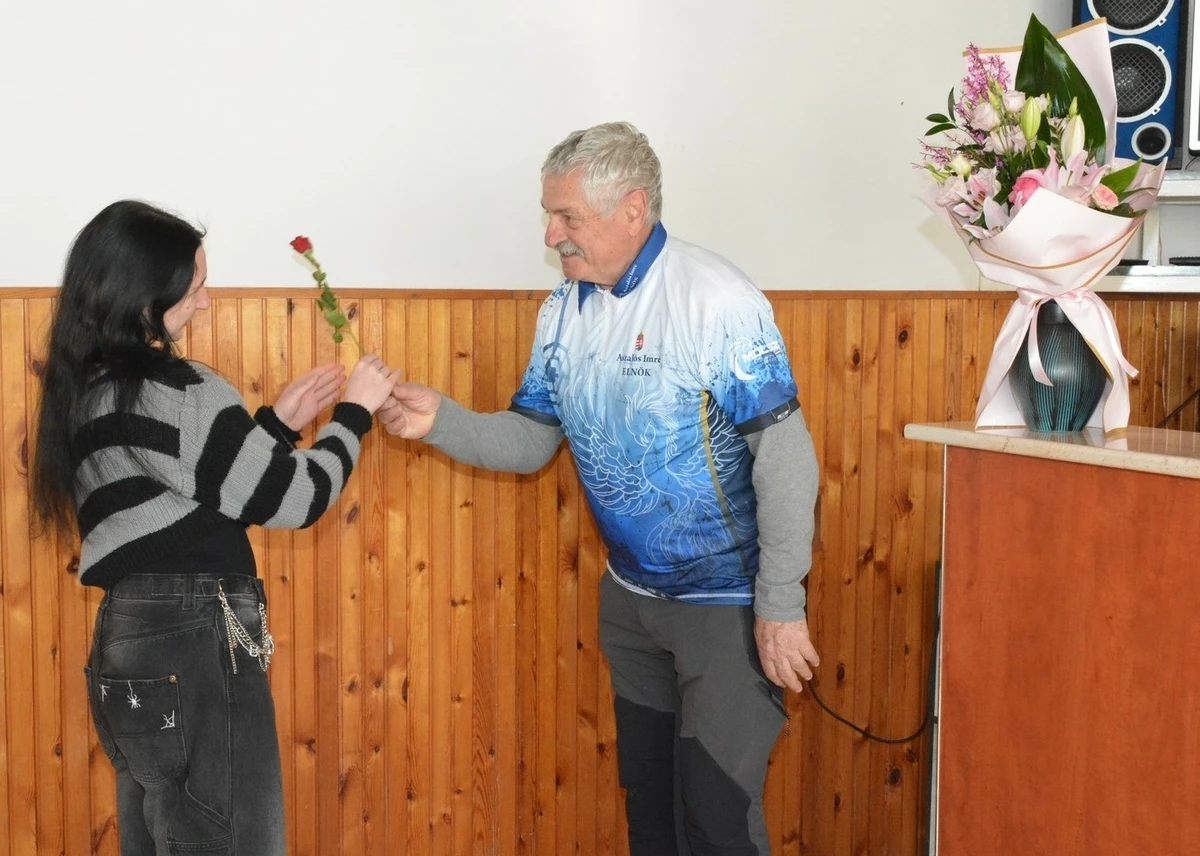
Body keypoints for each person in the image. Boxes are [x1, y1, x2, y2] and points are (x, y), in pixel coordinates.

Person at [378, 121, 820, 854]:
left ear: (632, 209)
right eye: (549, 215)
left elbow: (786, 455)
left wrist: (779, 604)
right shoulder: (564, 309)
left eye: (568, 218)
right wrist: (440, 422)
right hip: (632, 603)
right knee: (650, 811)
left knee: (717, 816)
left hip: (727, 605)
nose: (551, 235)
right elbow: (532, 441)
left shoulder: (715, 299)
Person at [30, 199, 400, 856]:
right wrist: (355, 415)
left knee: (164, 836)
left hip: (127, 638)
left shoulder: (90, 392)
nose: (204, 302)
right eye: (193, 286)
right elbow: (295, 498)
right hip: (194, 636)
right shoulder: (178, 389)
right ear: (143, 295)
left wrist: (275, 427)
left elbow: (181, 505)